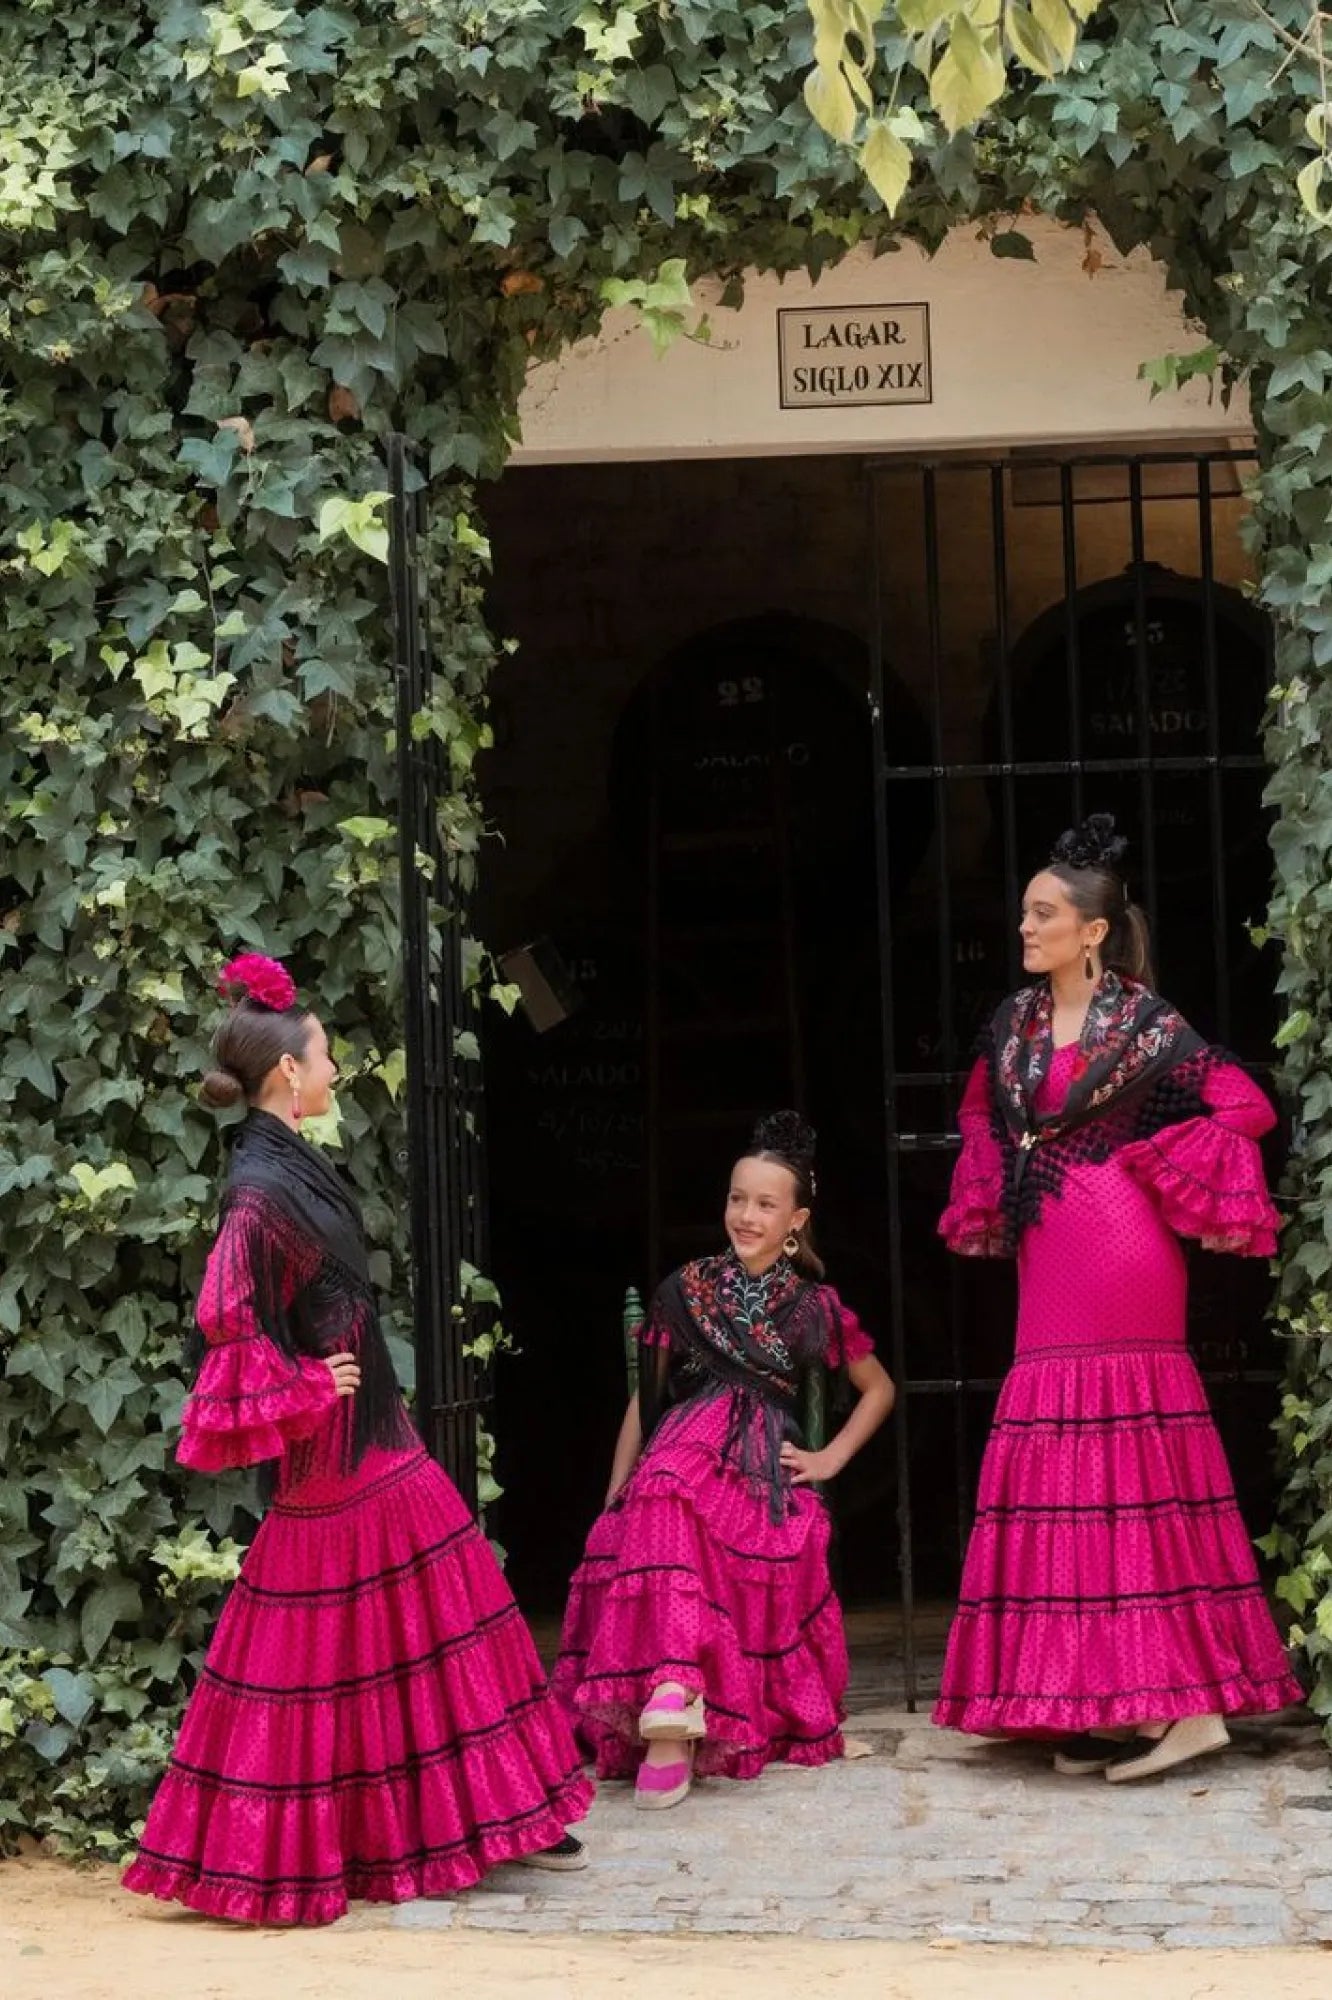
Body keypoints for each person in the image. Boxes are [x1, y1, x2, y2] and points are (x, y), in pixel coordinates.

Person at [123, 954, 592, 1926]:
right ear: (288, 1073)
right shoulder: (258, 1185)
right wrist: (300, 1382)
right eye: (325, 1054)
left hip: (371, 1440)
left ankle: (508, 1807)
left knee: (429, 1614)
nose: (335, 1066)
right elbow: (228, 1312)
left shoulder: (285, 1155)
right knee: (351, 1642)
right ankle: (429, 1824)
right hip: (337, 1454)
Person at [933, 815, 1302, 1779]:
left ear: (1092, 930)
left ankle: (1187, 1707)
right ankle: (1123, 1700)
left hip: (1124, 1249)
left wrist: (1150, 1157)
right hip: (1048, 1254)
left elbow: (1246, 1107)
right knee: (1071, 1468)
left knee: (1130, 1458)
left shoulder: (1145, 1023)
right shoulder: (1012, 1025)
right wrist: (993, 1164)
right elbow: (978, 1110)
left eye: (1043, 914)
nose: (1026, 928)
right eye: (1025, 913)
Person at [553, 1112, 895, 1809]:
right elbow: (644, 1407)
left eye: (765, 1204)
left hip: (761, 1465)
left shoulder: (814, 1305)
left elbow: (878, 1388)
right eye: (737, 1198)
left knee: (676, 1489)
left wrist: (829, 1458)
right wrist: (619, 1486)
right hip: (683, 1440)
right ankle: (671, 1709)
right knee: (662, 1488)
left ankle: (675, 1713)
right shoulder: (684, 1289)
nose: (746, 1214)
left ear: (795, 1219)